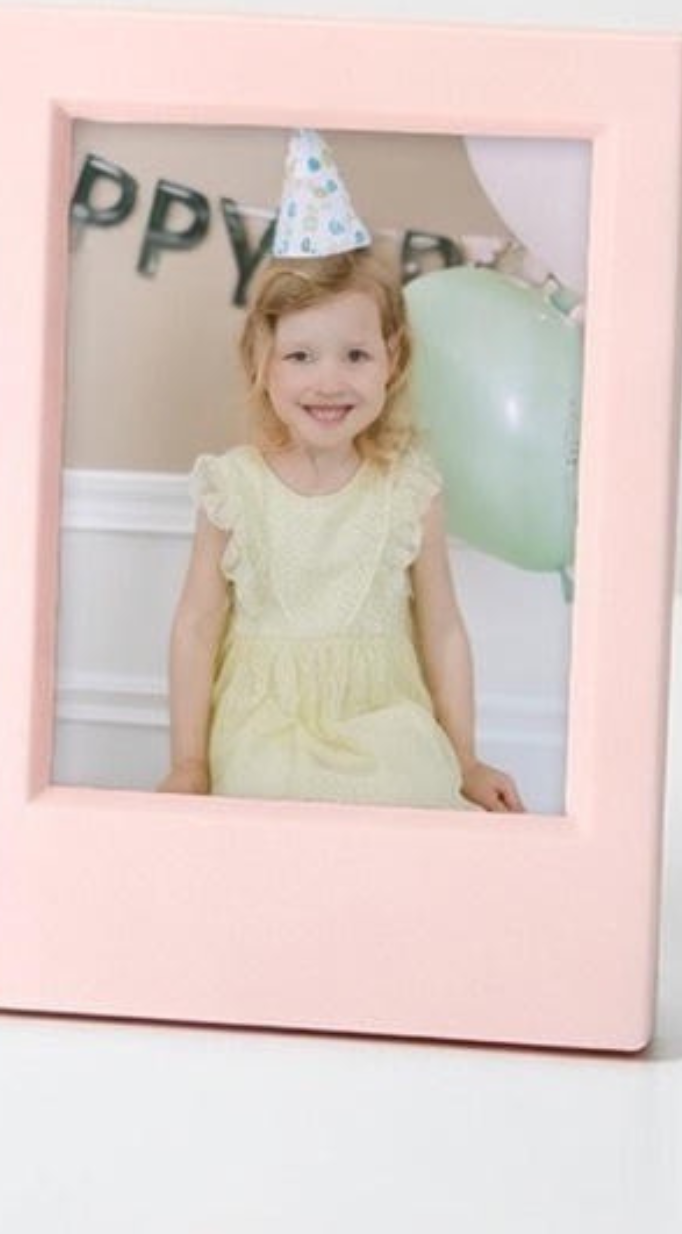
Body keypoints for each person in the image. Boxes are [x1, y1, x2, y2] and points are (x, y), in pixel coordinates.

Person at [159, 249, 523, 812]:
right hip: (267, 726)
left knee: (412, 788)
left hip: (382, 717)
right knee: (268, 795)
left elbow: (443, 629)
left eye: (355, 355)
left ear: (391, 359)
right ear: (263, 360)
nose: (329, 381)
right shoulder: (233, 489)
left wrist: (466, 760)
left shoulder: (408, 490)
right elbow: (196, 627)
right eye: (301, 356)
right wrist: (190, 762)